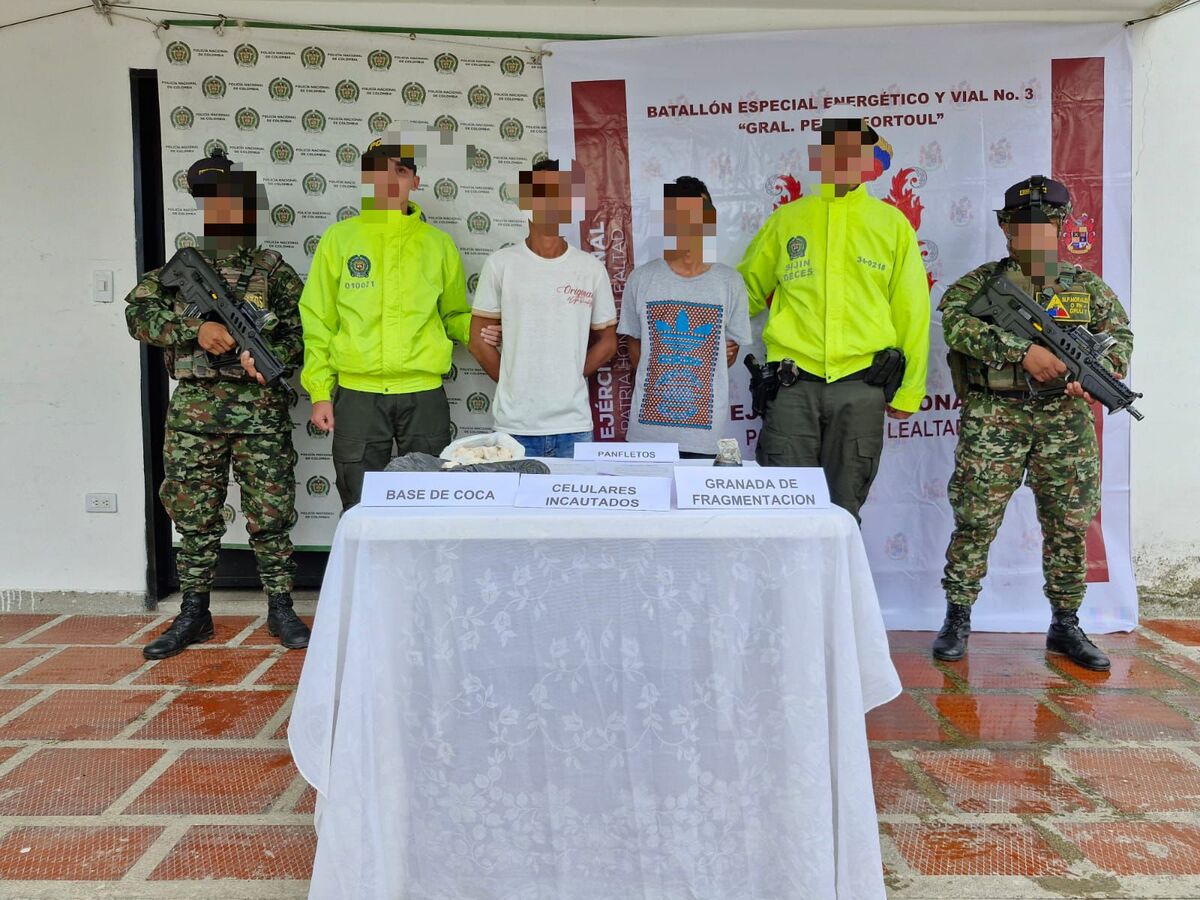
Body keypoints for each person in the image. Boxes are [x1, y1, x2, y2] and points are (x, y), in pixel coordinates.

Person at [932, 175, 1134, 670]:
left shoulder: (1087, 287)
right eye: (1023, 225)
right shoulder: (980, 283)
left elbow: (1119, 337)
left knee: (1069, 524)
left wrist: (1102, 374)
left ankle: (1065, 624)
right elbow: (955, 324)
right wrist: (1021, 351)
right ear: (1005, 228)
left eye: (1045, 225)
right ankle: (957, 617)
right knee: (975, 520)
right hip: (994, 416)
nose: (1034, 235)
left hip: (1065, 420)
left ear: (1061, 228)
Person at [125, 149, 309, 659]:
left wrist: (273, 359)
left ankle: (280, 606)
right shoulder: (180, 267)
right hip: (195, 414)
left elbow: (302, 334)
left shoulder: (274, 271)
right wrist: (196, 329)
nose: (224, 209)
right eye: (212, 200)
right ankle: (194, 611)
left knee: (271, 513)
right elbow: (138, 315)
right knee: (194, 515)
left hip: (260, 413)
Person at [737, 116, 930, 520]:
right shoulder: (788, 220)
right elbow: (745, 291)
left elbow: (911, 310)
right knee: (784, 509)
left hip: (861, 387)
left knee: (843, 512)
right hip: (792, 387)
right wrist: (706, 324)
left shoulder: (891, 225)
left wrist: (910, 389)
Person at [300, 132, 471, 509]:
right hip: (357, 395)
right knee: (360, 504)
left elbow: (454, 316)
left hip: (423, 394)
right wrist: (320, 392)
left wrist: (486, 330)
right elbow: (318, 321)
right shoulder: (339, 240)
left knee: (430, 502)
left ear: (415, 181)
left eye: (400, 171)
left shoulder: (438, 245)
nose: (389, 180)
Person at [468, 159, 617, 458]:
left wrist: (570, 378)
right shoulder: (501, 264)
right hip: (514, 428)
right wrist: (514, 383)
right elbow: (478, 342)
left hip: (573, 426)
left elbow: (608, 342)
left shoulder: (590, 269)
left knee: (574, 492)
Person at [618, 176, 751, 458]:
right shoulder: (641, 279)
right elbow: (635, 348)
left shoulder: (730, 282)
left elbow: (730, 353)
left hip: (705, 438)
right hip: (647, 436)